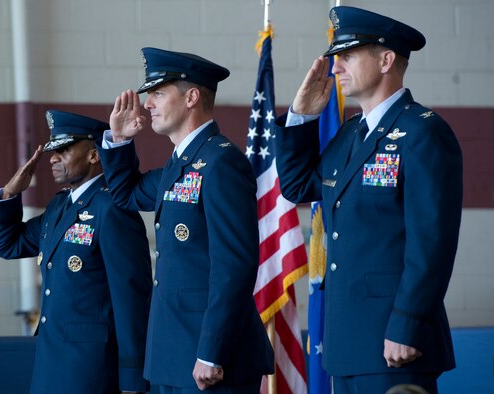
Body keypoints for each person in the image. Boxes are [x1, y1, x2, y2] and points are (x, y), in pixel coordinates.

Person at [274, 6, 462, 394]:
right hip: (346, 343)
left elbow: (432, 245)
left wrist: (408, 324)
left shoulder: (423, 134)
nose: (335, 66)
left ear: (386, 59)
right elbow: (296, 186)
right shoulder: (348, 136)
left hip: (394, 341)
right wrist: (300, 118)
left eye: (347, 55)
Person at [97, 47, 274, 394]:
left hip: (212, 359)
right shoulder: (179, 166)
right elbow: (127, 194)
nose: (148, 104)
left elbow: (234, 266)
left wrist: (212, 350)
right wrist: (118, 141)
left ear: (192, 96)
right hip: (172, 353)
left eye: (159, 93)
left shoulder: (221, 163)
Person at [0, 110, 152, 394]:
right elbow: (8, 244)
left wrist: (132, 378)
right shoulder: (59, 207)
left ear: (94, 155)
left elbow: (131, 297)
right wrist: (10, 194)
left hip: (91, 367)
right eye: (52, 150)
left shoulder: (111, 209)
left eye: (63, 149)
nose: (52, 157)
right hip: (51, 362)